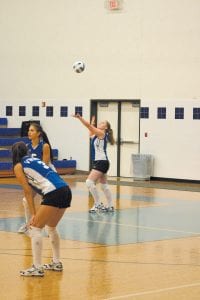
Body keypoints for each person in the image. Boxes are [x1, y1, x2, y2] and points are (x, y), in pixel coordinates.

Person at [12, 141, 72, 277]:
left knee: (35, 228)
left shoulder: (18, 165)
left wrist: (34, 213)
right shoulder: (33, 159)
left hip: (53, 192)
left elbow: (27, 191)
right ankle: (56, 262)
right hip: (65, 189)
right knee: (51, 228)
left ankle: (37, 267)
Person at [18, 122, 56, 233]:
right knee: (26, 200)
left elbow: (44, 166)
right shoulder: (27, 147)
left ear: (39, 133)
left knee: (48, 203)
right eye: (29, 130)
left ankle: (50, 227)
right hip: (36, 177)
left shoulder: (44, 146)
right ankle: (28, 224)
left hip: (48, 176)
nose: (29, 132)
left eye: (32, 130)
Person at [72, 114, 115, 212]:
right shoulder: (96, 135)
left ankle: (98, 204)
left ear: (106, 127)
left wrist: (80, 118)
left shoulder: (101, 133)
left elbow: (89, 127)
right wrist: (92, 122)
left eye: (103, 123)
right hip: (102, 162)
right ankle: (110, 206)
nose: (101, 123)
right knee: (103, 186)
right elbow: (90, 132)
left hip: (101, 162)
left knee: (89, 182)